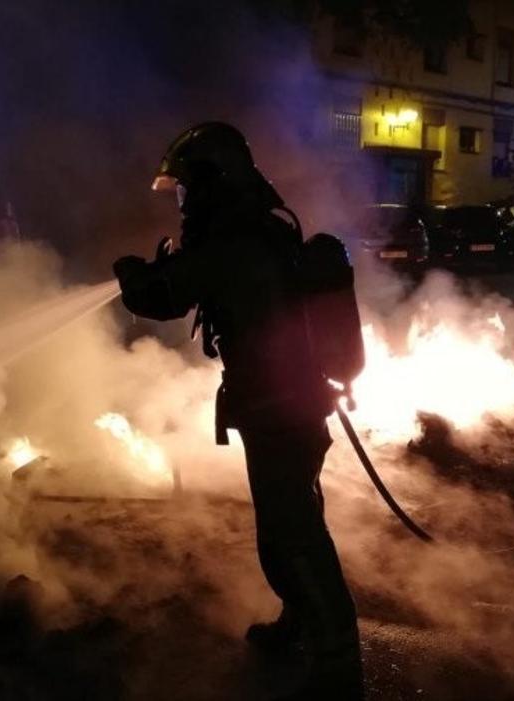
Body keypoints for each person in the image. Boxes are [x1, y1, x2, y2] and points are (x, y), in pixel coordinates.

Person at [113, 122, 363, 700]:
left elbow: (164, 295)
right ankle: (300, 623)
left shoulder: (235, 240)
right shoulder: (255, 230)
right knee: (288, 528)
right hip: (285, 408)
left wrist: (131, 271)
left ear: (211, 180)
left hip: (280, 410)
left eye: (184, 186)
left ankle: (337, 663)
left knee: (294, 534)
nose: (181, 199)